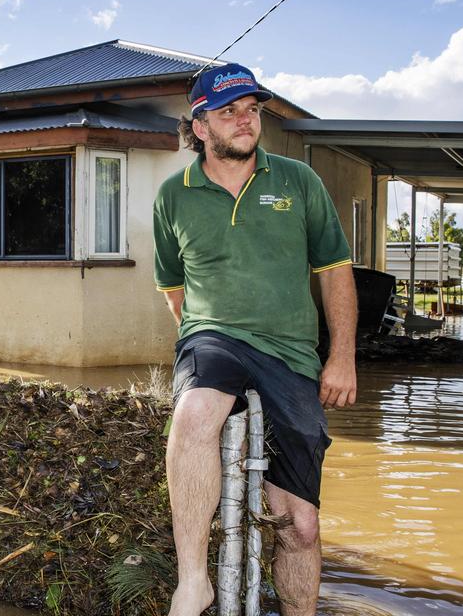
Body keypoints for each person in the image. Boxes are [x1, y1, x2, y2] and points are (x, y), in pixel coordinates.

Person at [152, 63, 358, 616]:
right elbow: (173, 287)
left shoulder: (298, 181)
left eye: (252, 109)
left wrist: (341, 358)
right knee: (195, 414)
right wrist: (196, 349)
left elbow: (336, 269)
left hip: (291, 354)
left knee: (303, 528)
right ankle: (193, 582)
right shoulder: (173, 196)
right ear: (199, 127)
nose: (245, 121)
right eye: (229, 112)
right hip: (214, 337)